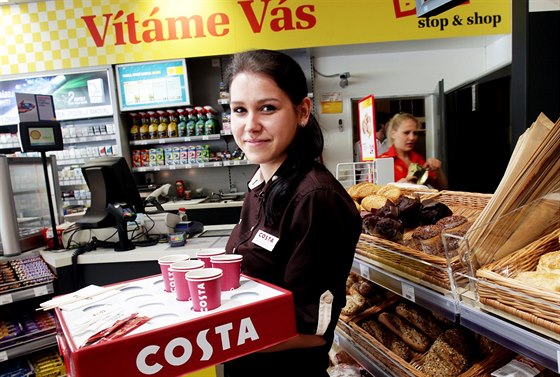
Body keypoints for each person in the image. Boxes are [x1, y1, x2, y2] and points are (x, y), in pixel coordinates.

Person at [223, 49, 363, 377]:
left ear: (302, 111)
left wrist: (213, 338)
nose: (250, 126)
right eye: (239, 110)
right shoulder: (262, 183)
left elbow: (311, 329)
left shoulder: (316, 198)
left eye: (267, 108)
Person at [379, 112, 448, 190]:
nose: (412, 138)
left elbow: (443, 189)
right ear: (393, 134)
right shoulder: (382, 161)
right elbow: (372, 196)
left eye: (415, 133)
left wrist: (438, 171)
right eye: (406, 133)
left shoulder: (418, 159)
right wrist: (397, 188)